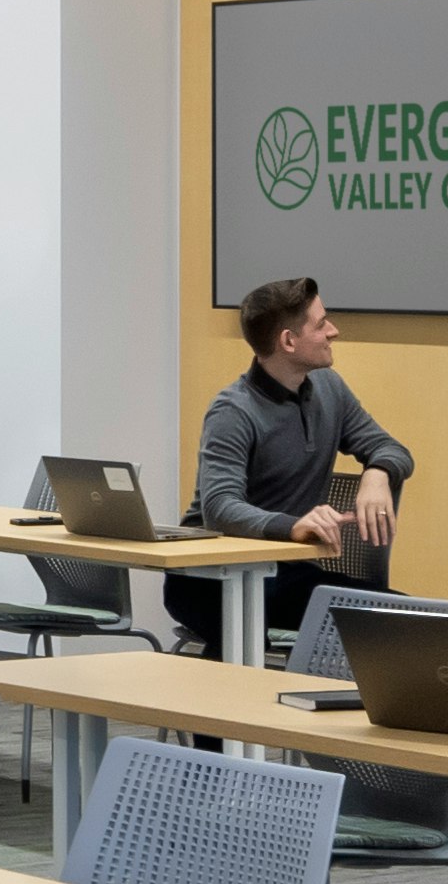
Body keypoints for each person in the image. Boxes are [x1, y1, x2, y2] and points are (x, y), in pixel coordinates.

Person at [176, 276, 416, 648]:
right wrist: (293, 526)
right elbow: (219, 508)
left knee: (411, 622)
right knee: (251, 640)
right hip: (209, 580)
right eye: (321, 325)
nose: (333, 331)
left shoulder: (329, 389)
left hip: (288, 575)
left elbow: (391, 448)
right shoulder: (233, 410)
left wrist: (377, 473)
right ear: (288, 341)